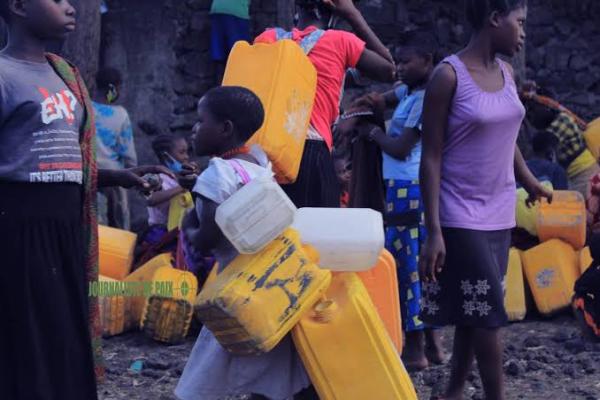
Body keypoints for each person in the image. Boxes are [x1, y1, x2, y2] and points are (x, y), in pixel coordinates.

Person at [0, 1, 170, 398]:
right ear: (19, 6)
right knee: (24, 327)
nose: (70, 7)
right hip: (18, 224)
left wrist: (116, 177)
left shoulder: (65, 75)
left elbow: (64, 160)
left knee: (63, 324)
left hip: (66, 224)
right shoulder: (5, 74)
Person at [418, 1, 552, 399]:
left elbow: (506, 137)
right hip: (459, 212)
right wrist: (434, 230)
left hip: (499, 211)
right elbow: (431, 156)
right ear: (495, 19)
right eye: (519, 22)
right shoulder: (447, 76)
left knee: (473, 307)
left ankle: (453, 391)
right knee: (489, 313)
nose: (523, 33)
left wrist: (529, 181)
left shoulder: (507, 73)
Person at [175, 86, 312, 400]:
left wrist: (187, 225)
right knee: (270, 374)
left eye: (201, 120)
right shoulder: (259, 165)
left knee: (202, 376)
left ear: (225, 128)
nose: (194, 128)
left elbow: (208, 238)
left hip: (234, 291)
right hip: (269, 285)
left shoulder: (216, 175)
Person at [254, 0, 395, 208]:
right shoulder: (341, 41)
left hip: (263, 151)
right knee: (316, 226)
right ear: (333, 14)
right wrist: (353, 14)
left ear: (297, 10)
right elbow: (390, 70)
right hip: (311, 151)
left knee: (271, 227)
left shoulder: (267, 38)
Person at [357, 40, 444, 370]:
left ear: (427, 59)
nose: (400, 68)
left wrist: (371, 132)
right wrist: (365, 104)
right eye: (398, 61)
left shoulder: (425, 99)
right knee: (420, 265)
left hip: (409, 187)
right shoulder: (410, 90)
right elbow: (384, 97)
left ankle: (416, 349)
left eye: (407, 61)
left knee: (408, 268)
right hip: (404, 186)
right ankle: (433, 346)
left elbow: (401, 148)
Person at [525, 94, 599, 198]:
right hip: (575, 175)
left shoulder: (563, 120)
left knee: (586, 205)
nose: (531, 116)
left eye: (533, 110)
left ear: (547, 108)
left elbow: (541, 144)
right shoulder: (552, 124)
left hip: (585, 174)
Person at [93, 66, 138, 230]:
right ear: (115, 88)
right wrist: (134, 172)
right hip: (115, 177)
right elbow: (128, 153)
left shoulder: (83, 108)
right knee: (117, 224)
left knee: (95, 223)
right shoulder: (120, 114)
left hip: (91, 175)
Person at [143, 134, 192, 244]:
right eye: (182, 152)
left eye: (187, 152)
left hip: (178, 229)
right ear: (166, 156)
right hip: (161, 232)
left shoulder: (179, 177)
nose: (187, 157)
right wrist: (182, 187)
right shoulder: (157, 178)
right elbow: (151, 199)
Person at [210, 0, 251, 82]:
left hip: (217, 8)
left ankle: (219, 84)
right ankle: (235, 83)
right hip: (236, 11)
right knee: (238, 51)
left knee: (218, 51)